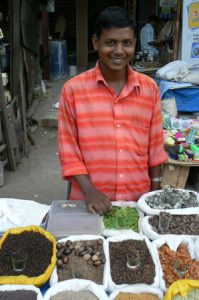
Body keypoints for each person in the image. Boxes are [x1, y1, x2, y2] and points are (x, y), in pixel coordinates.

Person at [58, 6, 167, 215]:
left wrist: (154, 196)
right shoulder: (73, 90)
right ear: (95, 42)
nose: (119, 51)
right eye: (110, 42)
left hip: (138, 202)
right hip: (88, 204)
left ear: (135, 43)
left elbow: (155, 148)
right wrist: (90, 191)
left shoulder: (149, 89)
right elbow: (68, 151)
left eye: (126, 43)